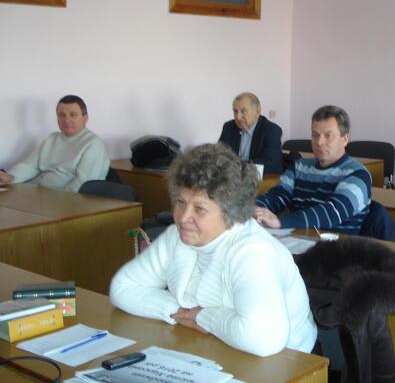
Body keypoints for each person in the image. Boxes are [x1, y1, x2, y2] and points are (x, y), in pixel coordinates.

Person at [109, 143, 316, 357]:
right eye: (180, 202)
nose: (183, 217)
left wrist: (203, 316)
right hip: (213, 346)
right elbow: (122, 287)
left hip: (288, 362)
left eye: (199, 208)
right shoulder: (177, 236)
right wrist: (180, 311)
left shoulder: (253, 252)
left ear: (230, 212)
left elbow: (263, 340)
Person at [254, 105, 371, 234]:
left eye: (328, 136)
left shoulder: (358, 174)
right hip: (296, 239)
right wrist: (253, 209)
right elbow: (277, 195)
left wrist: (280, 222)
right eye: (315, 135)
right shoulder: (299, 167)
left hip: (338, 244)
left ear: (345, 139)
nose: (319, 142)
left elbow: (332, 212)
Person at [0, 95, 109, 193]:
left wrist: (59, 200)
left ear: (85, 118)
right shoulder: (52, 139)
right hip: (45, 196)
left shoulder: (93, 144)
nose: (66, 120)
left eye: (73, 115)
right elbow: (31, 165)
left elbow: (84, 183)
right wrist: (10, 178)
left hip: (71, 201)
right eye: (62, 115)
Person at [218, 92, 283, 174]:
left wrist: (235, 166)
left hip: (260, 177)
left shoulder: (271, 130)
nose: (238, 117)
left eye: (243, 111)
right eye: (235, 111)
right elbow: (219, 155)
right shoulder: (229, 127)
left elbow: (270, 164)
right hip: (233, 176)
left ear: (257, 111)